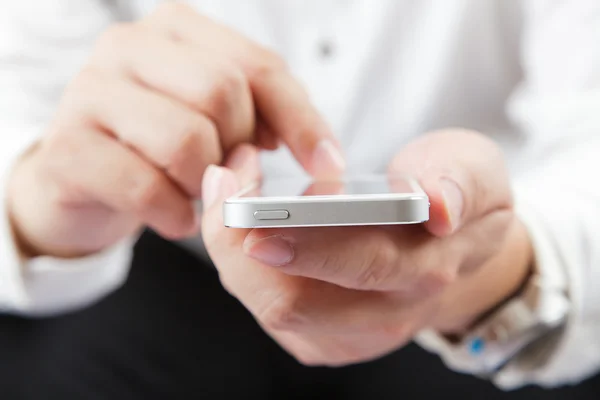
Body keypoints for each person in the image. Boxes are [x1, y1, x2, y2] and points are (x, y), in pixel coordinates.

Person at [1, 0, 600, 398]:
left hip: (478, 288)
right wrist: (37, 200)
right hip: (161, 267)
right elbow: (20, 96)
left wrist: (500, 278)